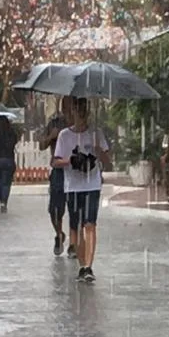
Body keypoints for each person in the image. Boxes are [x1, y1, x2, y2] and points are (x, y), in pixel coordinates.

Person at [53, 98, 111, 283]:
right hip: (73, 187)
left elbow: (108, 161)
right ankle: (81, 263)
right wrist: (71, 161)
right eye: (77, 110)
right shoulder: (64, 136)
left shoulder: (96, 133)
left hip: (91, 185)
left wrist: (97, 150)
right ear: (72, 112)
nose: (80, 113)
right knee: (76, 227)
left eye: (84, 110)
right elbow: (55, 162)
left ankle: (88, 267)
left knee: (90, 224)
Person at [39, 97, 75, 255]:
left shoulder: (80, 125)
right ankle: (59, 233)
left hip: (75, 169)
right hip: (59, 170)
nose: (68, 108)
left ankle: (74, 243)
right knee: (55, 209)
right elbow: (41, 145)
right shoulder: (54, 122)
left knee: (76, 208)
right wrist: (51, 137)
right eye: (66, 105)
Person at [0, 115, 18, 212]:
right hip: (8, 160)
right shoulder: (11, 133)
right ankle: (4, 202)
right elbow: (14, 143)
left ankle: (1, 200)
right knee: (6, 183)